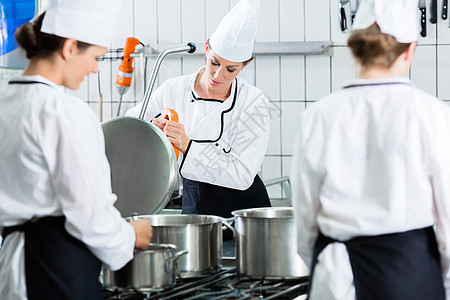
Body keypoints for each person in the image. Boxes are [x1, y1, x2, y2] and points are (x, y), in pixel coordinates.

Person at [291, 0, 450, 299]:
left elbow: (305, 218)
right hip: (411, 273)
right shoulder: (431, 114)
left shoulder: (318, 116)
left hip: (336, 277)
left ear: (355, 49)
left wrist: (321, 266)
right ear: (411, 48)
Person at [0, 1, 152, 299]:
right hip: (55, 271)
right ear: (69, 48)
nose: (95, 68)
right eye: (95, 57)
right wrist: (131, 235)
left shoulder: (4, 100)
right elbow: (90, 215)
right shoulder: (64, 112)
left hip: (13, 267)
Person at [127, 0, 271, 221]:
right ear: (206, 49)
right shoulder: (174, 89)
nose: (217, 75)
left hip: (247, 212)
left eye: (231, 69)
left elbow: (242, 175)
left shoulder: (254, 102)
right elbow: (131, 124)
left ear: (245, 65)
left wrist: (187, 145)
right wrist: (151, 130)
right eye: (214, 62)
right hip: (197, 206)